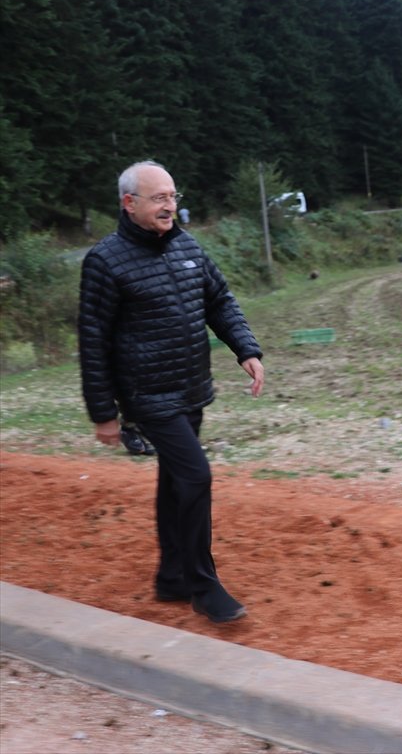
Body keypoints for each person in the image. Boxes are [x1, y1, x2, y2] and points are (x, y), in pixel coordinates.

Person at [78, 160, 265, 623]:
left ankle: (171, 576)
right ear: (129, 203)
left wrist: (244, 348)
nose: (170, 206)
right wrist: (104, 412)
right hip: (147, 395)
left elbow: (218, 300)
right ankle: (204, 587)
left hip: (190, 386)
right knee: (196, 476)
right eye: (159, 198)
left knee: (176, 482)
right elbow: (93, 340)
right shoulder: (105, 261)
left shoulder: (187, 246)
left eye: (173, 196)